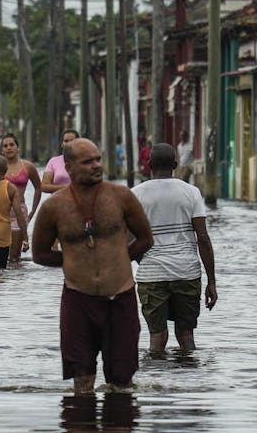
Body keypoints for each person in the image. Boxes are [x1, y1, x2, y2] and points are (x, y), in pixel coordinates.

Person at [31, 139, 153, 395]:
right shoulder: (54, 207)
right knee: (82, 381)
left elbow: (145, 238)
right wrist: (73, 261)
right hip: (78, 300)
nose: (96, 166)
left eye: (98, 159)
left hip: (120, 297)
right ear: (70, 167)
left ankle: (117, 432)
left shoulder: (121, 197)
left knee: (121, 383)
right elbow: (40, 254)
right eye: (88, 162)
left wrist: (120, 257)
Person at [132, 143, 217, 355]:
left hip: (151, 275)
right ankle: (186, 383)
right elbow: (203, 239)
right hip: (186, 272)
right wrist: (212, 281)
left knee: (157, 337)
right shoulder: (191, 193)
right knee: (186, 336)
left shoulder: (135, 194)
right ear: (176, 165)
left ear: (149, 164)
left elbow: (126, 240)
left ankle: (157, 383)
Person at [0, 133, 42, 263]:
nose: (9, 148)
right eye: (5, 146)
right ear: (2, 150)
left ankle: (17, 282)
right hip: (1, 212)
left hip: (19, 213)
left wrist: (33, 211)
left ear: (17, 148)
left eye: (12, 145)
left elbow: (38, 188)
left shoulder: (28, 166)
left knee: (14, 256)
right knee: (2, 254)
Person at [40, 128, 80, 195]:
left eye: (72, 141)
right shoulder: (53, 161)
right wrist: (66, 187)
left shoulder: (85, 161)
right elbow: (44, 186)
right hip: (56, 203)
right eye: (66, 141)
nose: (69, 143)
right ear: (62, 144)